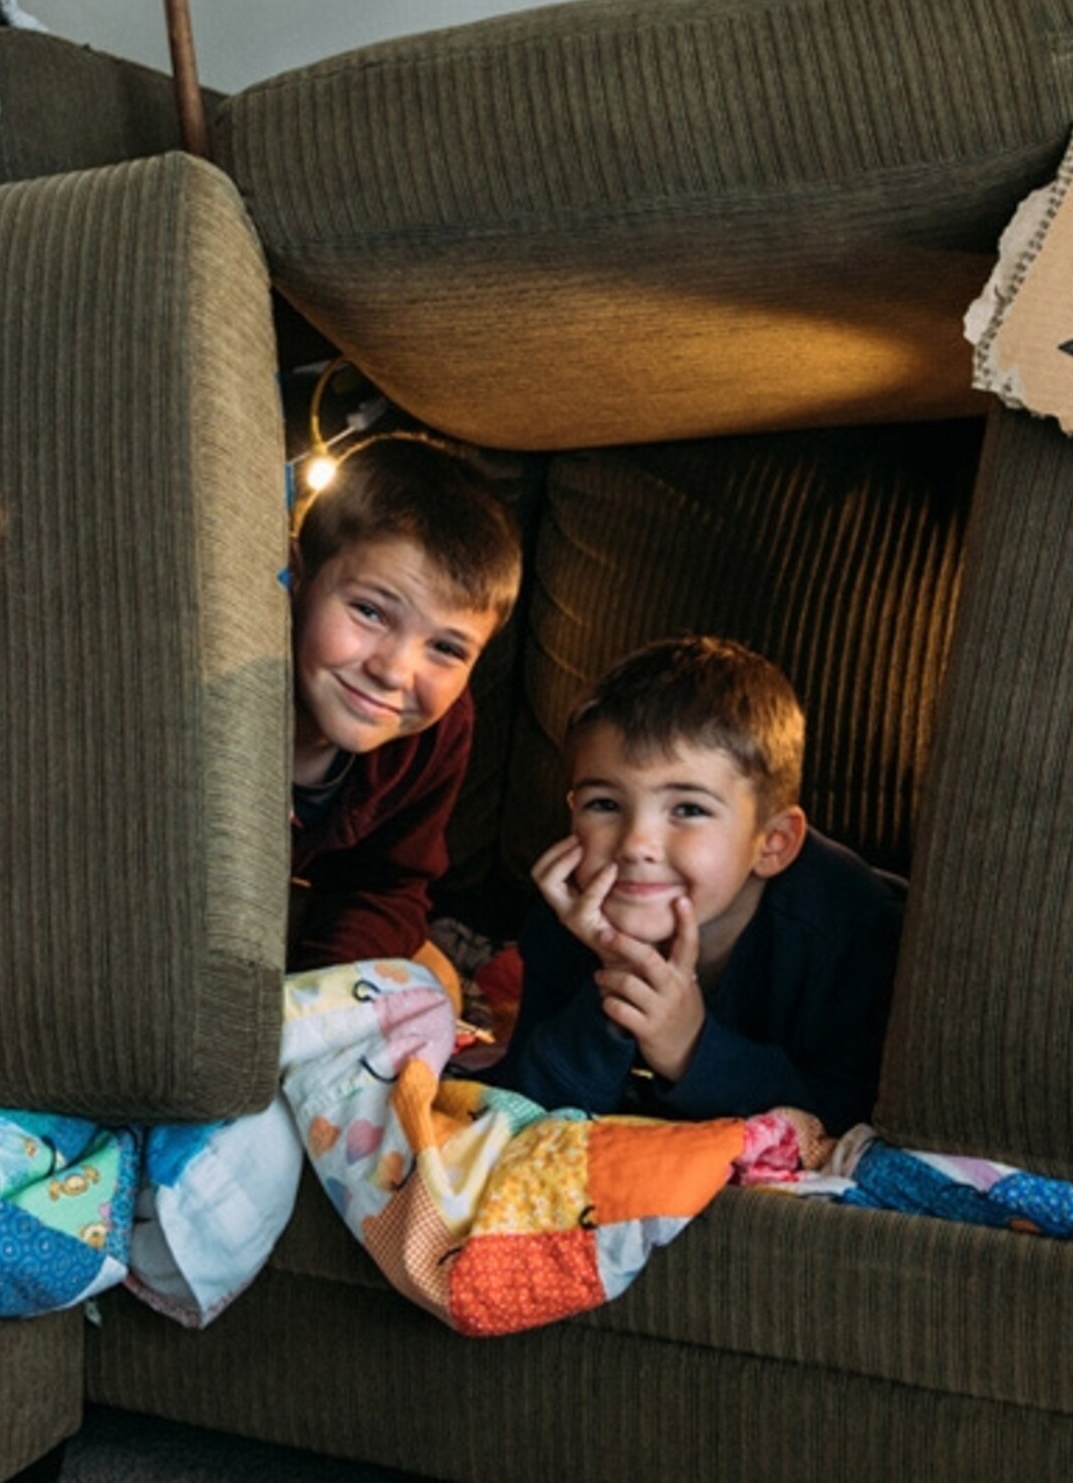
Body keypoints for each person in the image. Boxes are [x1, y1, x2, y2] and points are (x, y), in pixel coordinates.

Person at [481, 636, 902, 1158]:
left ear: (773, 843)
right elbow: (526, 1109)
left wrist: (692, 1048)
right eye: (604, 804)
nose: (635, 844)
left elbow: (849, 1123)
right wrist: (615, 990)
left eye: (688, 810)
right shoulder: (569, 914)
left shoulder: (854, 934)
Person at [286, 433, 523, 972]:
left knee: (435, 977)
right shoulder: (230, 684)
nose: (393, 672)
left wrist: (317, 996)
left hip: (306, 947)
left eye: (446, 649)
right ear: (296, 575)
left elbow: (389, 886)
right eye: (370, 612)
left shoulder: (439, 730)